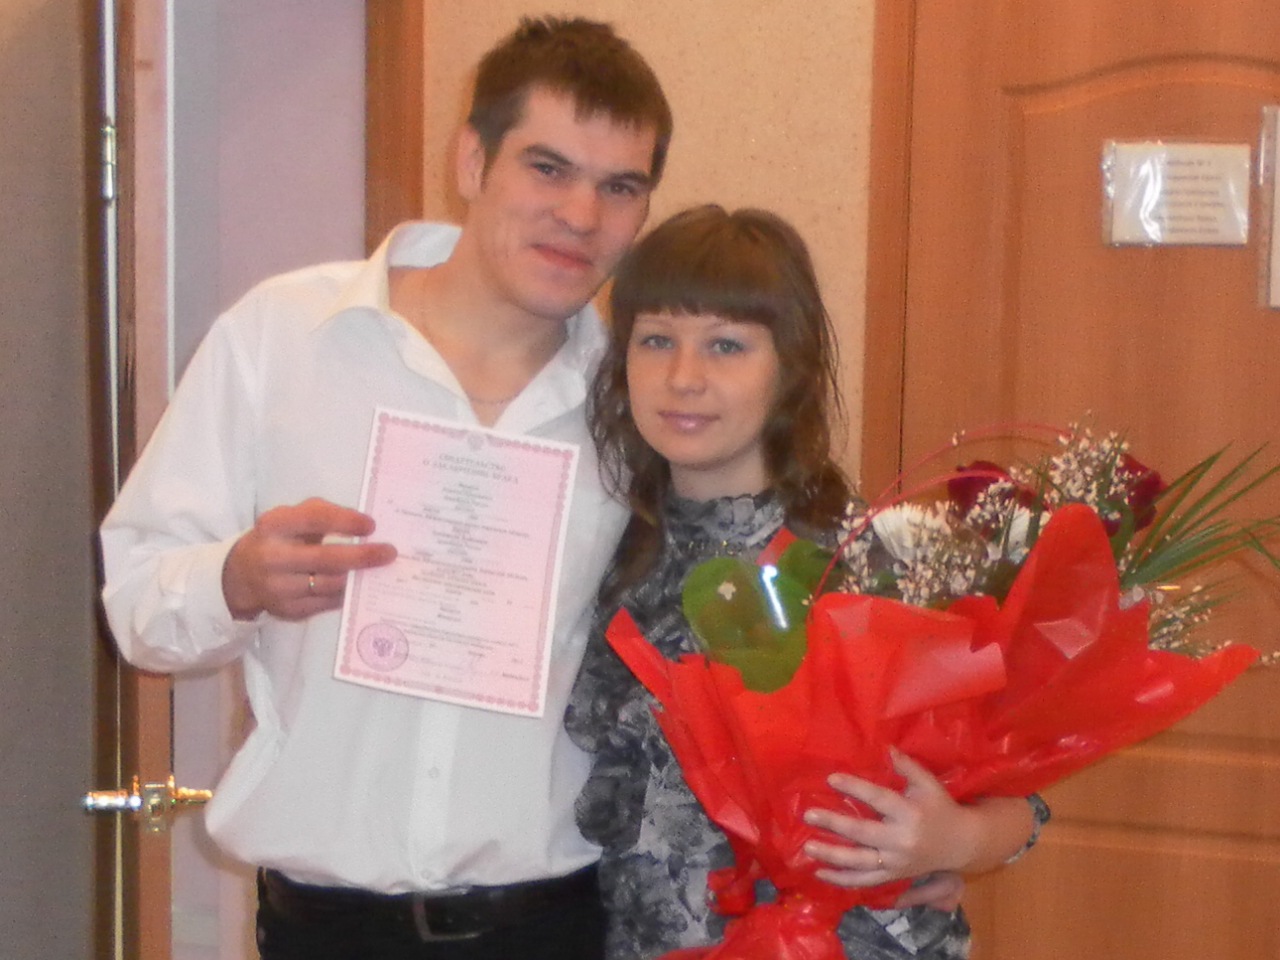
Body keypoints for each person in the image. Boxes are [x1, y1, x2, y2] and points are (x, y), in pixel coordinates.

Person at [100, 17, 673, 960]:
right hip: (325, 929)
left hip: (555, 926)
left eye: (621, 187)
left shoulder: (639, 407)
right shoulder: (282, 339)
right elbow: (137, 610)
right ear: (472, 159)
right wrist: (235, 579)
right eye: (548, 168)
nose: (581, 215)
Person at [565, 205, 1050, 960]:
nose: (683, 377)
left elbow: (1024, 799)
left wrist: (952, 840)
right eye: (656, 340)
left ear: (788, 369)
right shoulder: (598, 553)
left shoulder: (870, 562)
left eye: (726, 345)